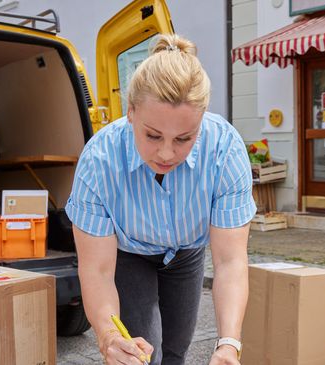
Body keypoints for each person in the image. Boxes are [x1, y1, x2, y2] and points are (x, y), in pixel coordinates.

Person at [67, 34, 255, 365]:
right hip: (129, 254)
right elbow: (96, 270)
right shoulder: (99, 160)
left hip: (186, 253)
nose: (166, 153)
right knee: (141, 353)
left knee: (177, 349)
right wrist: (109, 339)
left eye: (184, 138)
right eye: (152, 135)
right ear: (130, 112)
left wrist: (229, 344)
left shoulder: (225, 149)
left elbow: (230, 261)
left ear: (202, 119)